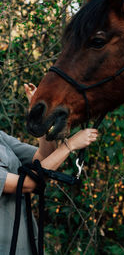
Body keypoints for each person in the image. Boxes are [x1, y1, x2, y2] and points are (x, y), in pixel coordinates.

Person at [0, 83, 98, 254]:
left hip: (27, 243)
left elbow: (43, 159)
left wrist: (40, 115)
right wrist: (69, 145)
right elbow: (27, 184)